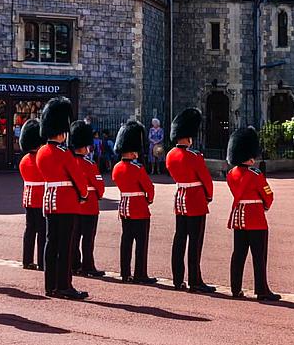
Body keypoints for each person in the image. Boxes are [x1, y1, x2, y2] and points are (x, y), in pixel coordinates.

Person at [36, 97, 90, 300]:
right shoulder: (63, 153)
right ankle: (64, 285)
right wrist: (83, 195)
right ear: (62, 131)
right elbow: (78, 178)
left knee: (51, 244)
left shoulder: (41, 152)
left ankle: (50, 285)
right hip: (66, 202)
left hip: (49, 201)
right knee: (65, 247)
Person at [226, 125, 280, 301]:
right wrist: (264, 206)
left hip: (239, 218)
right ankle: (262, 291)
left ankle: (235, 288)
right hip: (255, 217)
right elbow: (268, 195)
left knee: (238, 254)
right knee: (259, 256)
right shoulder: (255, 174)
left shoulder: (231, 174)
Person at [166, 107, 216, 292]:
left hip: (180, 198)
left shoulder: (170, 155)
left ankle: (178, 279)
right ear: (188, 136)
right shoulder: (193, 156)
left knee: (179, 239)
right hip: (195, 200)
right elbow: (206, 180)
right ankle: (195, 281)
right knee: (195, 242)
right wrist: (208, 196)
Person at [112, 120, 156, 284]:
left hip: (124, 207)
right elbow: (149, 188)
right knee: (141, 243)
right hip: (138, 207)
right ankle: (140, 274)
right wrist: (148, 200)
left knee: (126, 240)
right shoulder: (137, 169)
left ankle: (125, 272)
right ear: (132, 151)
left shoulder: (116, 168)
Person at [69, 120, 105, 278]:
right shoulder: (89, 164)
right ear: (84, 146)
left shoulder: (70, 162)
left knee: (74, 237)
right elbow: (100, 187)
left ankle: (74, 264)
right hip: (89, 205)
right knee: (88, 239)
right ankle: (88, 266)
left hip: (74, 205)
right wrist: (99, 195)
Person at [17, 119, 46, 269]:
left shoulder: (24, 160)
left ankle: (27, 260)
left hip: (28, 197)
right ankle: (42, 262)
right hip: (40, 198)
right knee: (42, 231)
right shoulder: (40, 159)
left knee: (30, 230)